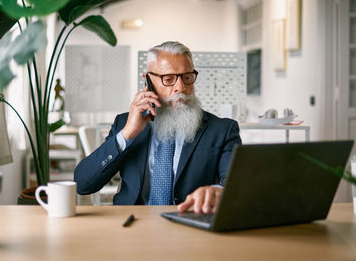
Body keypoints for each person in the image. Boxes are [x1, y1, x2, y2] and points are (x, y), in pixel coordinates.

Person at [74, 41, 241, 214]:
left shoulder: (222, 130)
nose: (180, 88)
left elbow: (237, 186)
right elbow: (83, 184)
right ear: (147, 80)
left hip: (190, 224)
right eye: (169, 79)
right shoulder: (125, 123)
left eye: (187, 77)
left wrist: (217, 191)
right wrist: (127, 134)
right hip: (131, 224)